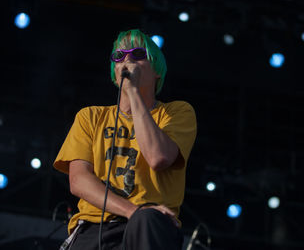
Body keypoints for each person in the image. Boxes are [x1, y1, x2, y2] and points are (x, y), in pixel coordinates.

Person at [53, 29, 197, 250]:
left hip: (150, 225)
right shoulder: (90, 117)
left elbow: (158, 157)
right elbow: (79, 181)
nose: (127, 59)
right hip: (94, 226)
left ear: (157, 70)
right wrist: (131, 210)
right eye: (119, 56)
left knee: (146, 219)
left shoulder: (177, 112)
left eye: (138, 54)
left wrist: (133, 92)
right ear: (114, 70)